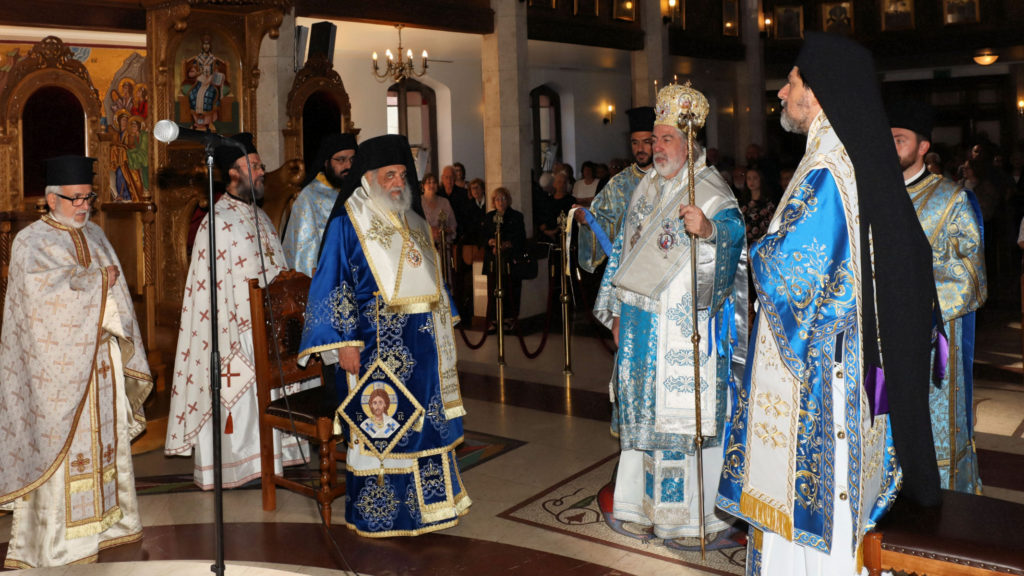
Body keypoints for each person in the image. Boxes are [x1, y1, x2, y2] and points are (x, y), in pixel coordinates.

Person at [716, 33, 941, 575]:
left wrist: (749, 249)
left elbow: (798, 271)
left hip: (820, 370)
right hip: (846, 357)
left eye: (791, 81)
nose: (782, 92)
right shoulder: (850, 156)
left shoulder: (826, 168)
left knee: (815, 495)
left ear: (816, 91)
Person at [594, 83, 747, 542]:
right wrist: (616, 311)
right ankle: (638, 504)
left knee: (681, 421)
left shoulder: (711, 190)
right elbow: (623, 253)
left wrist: (711, 231)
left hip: (683, 328)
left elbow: (735, 244)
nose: (658, 147)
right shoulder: (646, 187)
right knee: (643, 414)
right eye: (655, 139)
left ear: (689, 143)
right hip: (640, 327)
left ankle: (691, 517)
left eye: (666, 139)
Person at [298, 134, 470, 537]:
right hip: (375, 347)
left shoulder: (414, 219)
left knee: (425, 428)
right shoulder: (347, 222)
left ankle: (433, 510)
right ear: (368, 177)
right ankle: (382, 515)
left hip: (423, 349)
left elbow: (432, 280)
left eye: (402, 175)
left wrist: (445, 326)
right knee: (384, 428)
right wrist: (345, 342)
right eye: (389, 175)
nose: (397, 182)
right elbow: (333, 283)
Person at [0, 156, 153, 568]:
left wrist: (105, 294)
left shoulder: (96, 235)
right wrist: (98, 282)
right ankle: (59, 542)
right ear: (52, 199)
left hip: (100, 360)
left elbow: (117, 292)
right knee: (65, 448)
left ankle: (109, 524)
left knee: (105, 444)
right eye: (76, 199)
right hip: (56, 371)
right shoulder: (30, 242)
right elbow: (41, 301)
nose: (84, 206)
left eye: (89, 197)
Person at [165, 133, 305, 489]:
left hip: (270, 331)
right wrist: (228, 334)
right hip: (234, 333)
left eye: (259, 165)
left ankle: (273, 460)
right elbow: (206, 291)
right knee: (241, 402)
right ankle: (241, 467)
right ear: (232, 173)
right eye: (254, 166)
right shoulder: (217, 222)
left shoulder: (261, 218)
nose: (261, 172)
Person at [889, 100, 987, 493]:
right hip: (880, 336)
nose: (890, 146)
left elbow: (972, 275)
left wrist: (916, 303)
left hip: (933, 341)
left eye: (899, 139)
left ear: (923, 146)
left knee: (932, 425)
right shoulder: (872, 196)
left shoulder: (951, 199)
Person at [576, 108, 654, 273]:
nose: (640, 148)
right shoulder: (619, 183)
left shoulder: (670, 178)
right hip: (628, 264)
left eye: (646, 142)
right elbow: (602, 221)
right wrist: (587, 220)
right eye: (635, 143)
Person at [282, 132, 357, 276]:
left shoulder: (359, 193)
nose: (348, 165)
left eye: (352, 160)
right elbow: (304, 256)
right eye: (341, 160)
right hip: (328, 277)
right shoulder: (310, 197)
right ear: (326, 162)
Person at [482, 186, 526, 330]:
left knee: (511, 289)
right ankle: (493, 319)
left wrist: (506, 244)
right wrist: (491, 242)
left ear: (508, 200)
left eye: (503, 199)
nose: (500, 202)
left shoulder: (516, 216)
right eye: (497, 199)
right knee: (493, 289)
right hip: (493, 259)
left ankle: (509, 318)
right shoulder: (489, 217)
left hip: (510, 259)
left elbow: (520, 238)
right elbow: (483, 236)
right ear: (493, 202)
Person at [183, 33, 228, 131]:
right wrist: (196, 73)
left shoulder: (213, 60)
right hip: (200, 81)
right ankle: (197, 121)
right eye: (204, 44)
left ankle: (207, 122)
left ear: (210, 46)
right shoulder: (197, 60)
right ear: (202, 46)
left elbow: (218, 71)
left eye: (208, 44)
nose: (206, 46)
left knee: (209, 94)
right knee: (193, 94)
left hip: (211, 82)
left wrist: (214, 75)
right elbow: (191, 73)